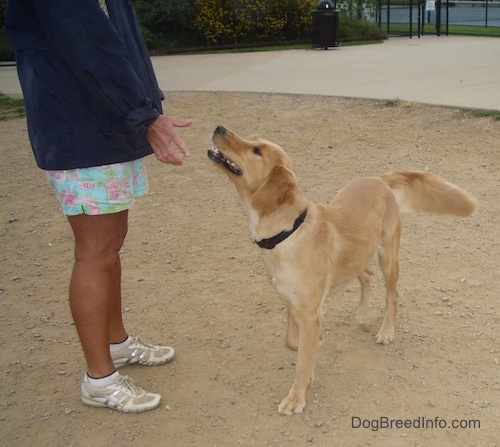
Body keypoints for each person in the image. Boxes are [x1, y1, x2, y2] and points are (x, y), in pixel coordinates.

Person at [6, 0, 192, 413]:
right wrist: (142, 114)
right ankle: (100, 380)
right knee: (94, 251)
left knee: (110, 243)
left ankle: (118, 343)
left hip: (107, 121)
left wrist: (147, 104)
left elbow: (117, 39)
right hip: (79, 126)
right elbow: (84, 43)